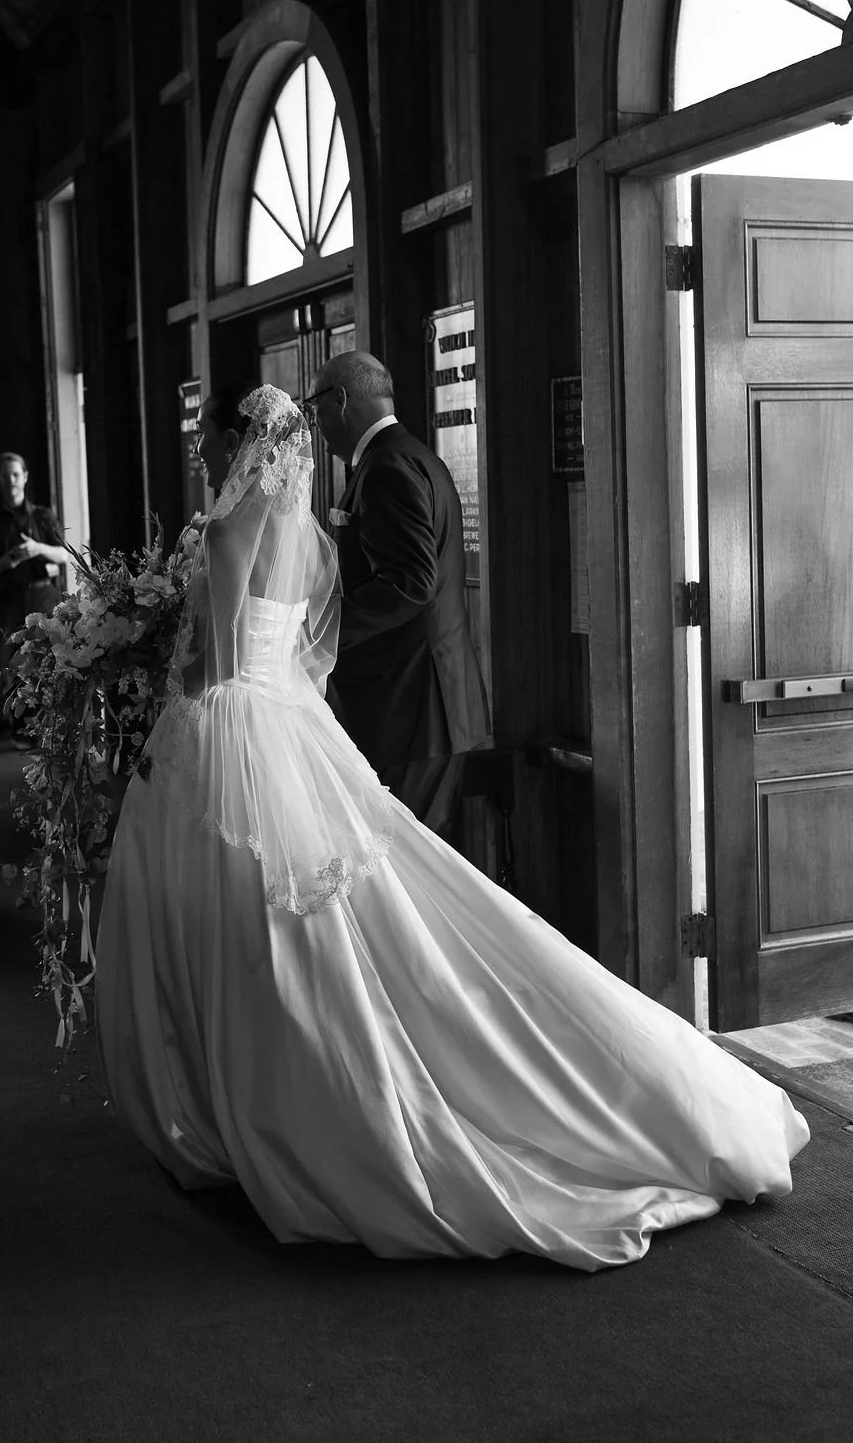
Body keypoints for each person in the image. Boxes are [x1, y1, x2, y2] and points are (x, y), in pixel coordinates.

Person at [95, 383, 808, 1273]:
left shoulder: (233, 532)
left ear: (244, 449)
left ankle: (265, 1111)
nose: (206, 455)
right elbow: (305, 661)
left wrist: (160, 677)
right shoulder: (305, 537)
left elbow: (226, 670)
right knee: (353, 917)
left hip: (235, 735)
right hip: (289, 731)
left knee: (270, 930)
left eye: (213, 441)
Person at [304, 351, 488, 837]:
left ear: (338, 400)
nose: (315, 424)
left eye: (314, 408)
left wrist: (316, 632)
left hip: (413, 708)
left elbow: (410, 584)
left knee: (406, 872)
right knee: (412, 873)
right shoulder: (411, 454)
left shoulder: (387, 467)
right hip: (422, 707)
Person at [0, 451, 69, 755]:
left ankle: (36, 732)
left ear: (25, 477)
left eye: (15, 475)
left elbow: (63, 556)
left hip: (41, 595)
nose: (10, 482)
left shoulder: (43, 516)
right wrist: (4, 563)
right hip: (5, 597)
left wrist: (35, 548)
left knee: (42, 664)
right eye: (5, 477)